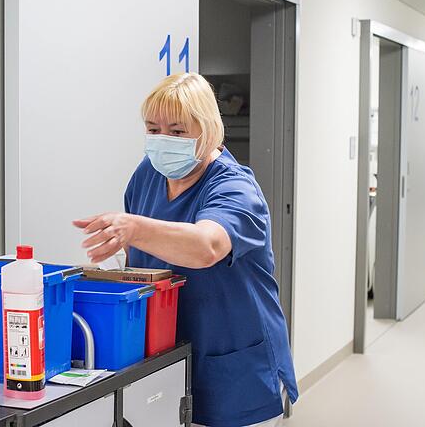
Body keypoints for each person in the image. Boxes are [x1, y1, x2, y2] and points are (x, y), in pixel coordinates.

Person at [74, 73, 298, 427]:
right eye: (153, 129)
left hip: (235, 370)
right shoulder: (146, 175)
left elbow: (207, 246)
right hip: (170, 360)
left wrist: (134, 227)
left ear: (207, 129)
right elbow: (142, 265)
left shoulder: (236, 188)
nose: (163, 140)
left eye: (177, 132)